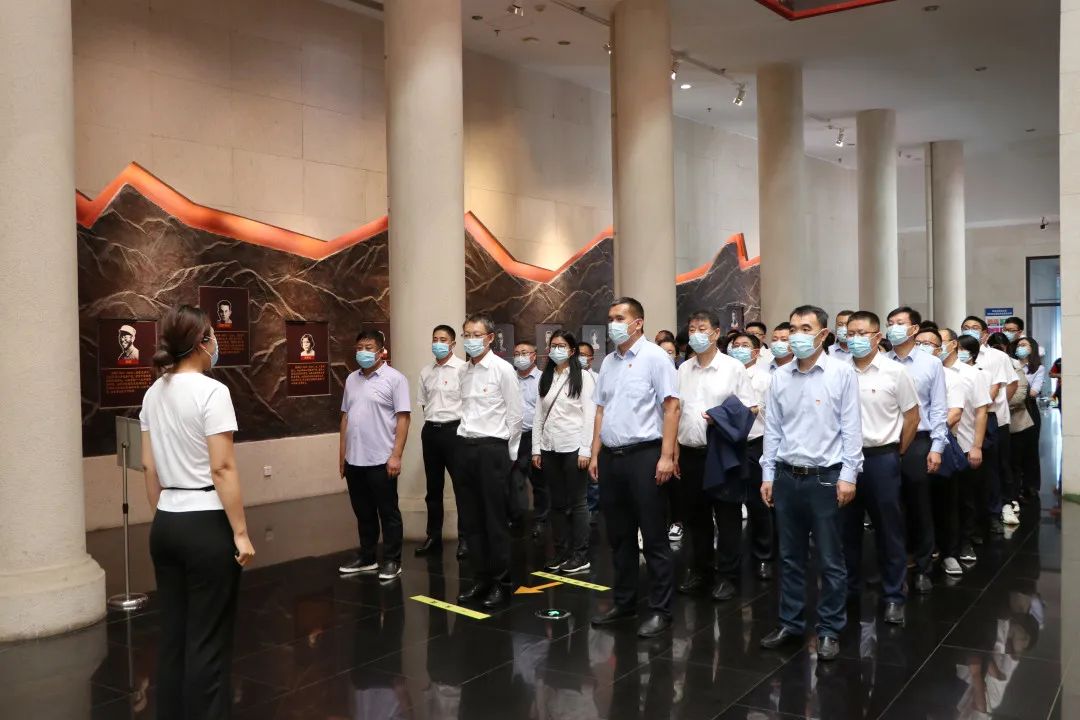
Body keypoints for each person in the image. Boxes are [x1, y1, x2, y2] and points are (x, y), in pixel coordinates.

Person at [140, 305, 255, 718]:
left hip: (167, 521)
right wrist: (240, 532)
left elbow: (149, 467)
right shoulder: (212, 392)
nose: (216, 344)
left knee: (173, 635)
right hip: (206, 522)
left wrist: (164, 512)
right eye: (213, 336)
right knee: (208, 639)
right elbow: (222, 468)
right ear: (202, 342)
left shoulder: (153, 393)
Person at [759, 305, 862, 661]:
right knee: (790, 557)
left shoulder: (841, 373)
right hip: (787, 476)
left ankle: (830, 629)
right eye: (793, 328)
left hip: (826, 478)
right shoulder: (779, 376)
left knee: (830, 559)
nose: (797, 335)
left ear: (823, 334)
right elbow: (772, 430)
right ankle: (790, 623)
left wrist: (849, 475)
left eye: (806, 328)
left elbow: (851, 428)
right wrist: (768, 474)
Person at [589, 297, 680, 638]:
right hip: (612, 457)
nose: (612, 323)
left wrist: (667, 456)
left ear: (637, 322)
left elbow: (672, 408)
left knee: (654, 537)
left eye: (619, 318)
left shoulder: (655, 358)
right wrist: (595, 453)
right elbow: (601, 410)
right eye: (610, 317)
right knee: (619, 536)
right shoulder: (608, 362)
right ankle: (624, 602)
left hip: (645, 455)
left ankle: (661, 610)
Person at [841, 311, 919, 625]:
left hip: (881, 458)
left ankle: (893, 595)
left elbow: (912, 417)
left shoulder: (894, 372)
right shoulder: (837, 370)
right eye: (850, 333)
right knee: (845, 530)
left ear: (877, 337)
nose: (855, 339)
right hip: (844, 461)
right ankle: (848, 591)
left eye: (862, 333)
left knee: (889, 530)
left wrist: (896, 453)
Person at [675, 312, 757, 602]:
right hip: (690, 452)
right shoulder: (683, 369)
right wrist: (673, 451)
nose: (696, 334)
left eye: (702, 328)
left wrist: (720, 417)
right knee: (696, 518)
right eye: (692, 329)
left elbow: (751, 408)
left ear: (716, 333)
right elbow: (675, 410)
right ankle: (701, 571)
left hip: (722, 452)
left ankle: (728, 576)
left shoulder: (733, 367)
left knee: (727, 516)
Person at [455, 313, 524, 609]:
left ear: (490, 338)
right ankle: (480, 578)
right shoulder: (463, 371)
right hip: (466, 447)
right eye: (467, 335)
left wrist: (509, 455)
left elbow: (515, 415)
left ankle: (501, 582)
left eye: (476, 335)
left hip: (493, 450)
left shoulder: (502, 369)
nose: (470, 340)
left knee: (494, 520)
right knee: (471, 519)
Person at [338, 329, 411, 581]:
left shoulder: (395, 379)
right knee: (363, 512)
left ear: (381, 352)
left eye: (369, 348)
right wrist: (342, 455)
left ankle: (392, 560)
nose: (363, 352)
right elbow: (345, 417)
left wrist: (396, 455)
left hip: (382, 459)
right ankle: (367, 557)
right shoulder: (351, 379)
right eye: (359, 348)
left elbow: (403, 418)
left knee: (388, 513)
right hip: (354, 459)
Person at [885, 306, 947, 594]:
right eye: (890, 322)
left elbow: (938, 408)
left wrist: (937, 446)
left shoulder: (930, 363)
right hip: (886, 441)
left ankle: (923, 566)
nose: (893, 327)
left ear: (913, 329)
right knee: (890, 506)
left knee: (919, 505)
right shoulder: (882, 361)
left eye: (899, 323)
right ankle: (896, 564)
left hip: (919, 441)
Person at [532, 331, 596, 574]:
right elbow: (538, 416)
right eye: (553, 346)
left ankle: (581, 554)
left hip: (574, 447)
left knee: (578, 503)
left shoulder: (583, 377)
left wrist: (586, 450)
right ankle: (561, 551)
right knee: (556, 503)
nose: (556, 350)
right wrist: (536, 448)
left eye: (561, 346)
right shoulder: (546, 376)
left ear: (572, 351)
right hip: (549, 447)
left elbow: (589, 415)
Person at [929, 328, 988, 573]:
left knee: (964, 500)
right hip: (936, 447)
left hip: (962, 444)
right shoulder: (929, 372)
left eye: (938, 342)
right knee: (940, 501)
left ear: (952, 344)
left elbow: (981, 411)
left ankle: (964, 543)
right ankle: (936, 545)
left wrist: (976, 446)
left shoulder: (970, 374)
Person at [962, 316, 1018, 536]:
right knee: (970, 471)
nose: (970, 331)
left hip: (992, 416)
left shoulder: (997, 357)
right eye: (966, 328)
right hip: (964, 420)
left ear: (985, 334)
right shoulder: (957, 356)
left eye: (975, 328)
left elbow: (1005, 386)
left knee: (993, 468)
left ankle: (994, 513)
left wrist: (991, 407)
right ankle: (973, 518)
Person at [416, 324, 468, 558]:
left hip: (455, 432)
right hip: (431, 432)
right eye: (435, 339)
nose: (438, 343)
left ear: (453, 344)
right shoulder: (426, 371)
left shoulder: (463, 369)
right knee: (433, 489)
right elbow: (424, 404)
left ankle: (465, 538)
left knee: (461, 487)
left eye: (443, 339)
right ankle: (433, 536)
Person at [730, 331, 775, 579]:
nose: (738, 349)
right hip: (728, 444)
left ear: (756, 352)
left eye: (744, 345)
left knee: (758, 503)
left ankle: (764, 556)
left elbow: (768, 414)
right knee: (729, 503)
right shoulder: (726, 373)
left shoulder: (765, 379)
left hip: (755, 444)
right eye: (735, 345)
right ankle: (733, 557)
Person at [957, 333, 994, 555]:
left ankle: (970, 535)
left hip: (967, 441)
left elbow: (982, 412)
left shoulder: (975, 374)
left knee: (969, 495)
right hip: (945, 444)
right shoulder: (940, 372)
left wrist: (976, 446)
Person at [989, 331, 1030, 525]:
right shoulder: (977, 360)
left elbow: (1017, 389)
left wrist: (1000, 403)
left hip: (1004, 419)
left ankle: (1008, 501)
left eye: (1001, 347)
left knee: (1006, 462)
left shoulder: (1010, 362)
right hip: (981, 419)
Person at [511, 341, 546, 538]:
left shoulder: (543, 379)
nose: (520, 357)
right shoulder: (509, 378)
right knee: (514, 481)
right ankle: (516, 519)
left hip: (535, 437)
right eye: (516, 353)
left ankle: (541, 521)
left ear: (534, 356)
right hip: (513, 437)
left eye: (524, 353)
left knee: (539, 482)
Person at [1013, 336, 1044, 501]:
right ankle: (1015, 486)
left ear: (1032, 348)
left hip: (1030, 410)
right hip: (1014, 410)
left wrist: (1018, 386)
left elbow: (1033, 392)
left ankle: (1030, 485)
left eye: (1024, 345)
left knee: (1030, 449)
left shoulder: (1038, 368)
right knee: (1015, 450)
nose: (1020, 347)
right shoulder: (1011, 364)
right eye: (1019, 345)